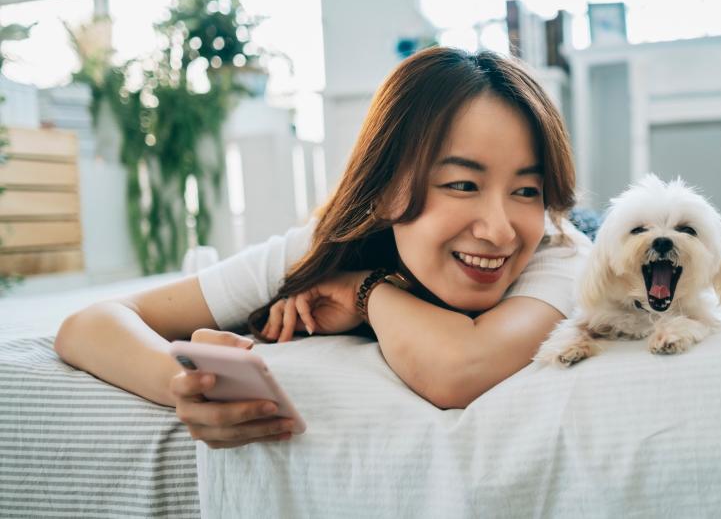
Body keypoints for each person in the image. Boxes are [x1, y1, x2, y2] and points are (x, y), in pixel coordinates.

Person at [54, 46, 592, 449]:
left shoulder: (559, 252)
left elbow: (461, 369)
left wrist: (365, 290)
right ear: (384, 189)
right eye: (461, 184)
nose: (500, 231)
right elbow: (91, 322)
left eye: (528, 190)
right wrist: (178, 382)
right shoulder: (325, 246)